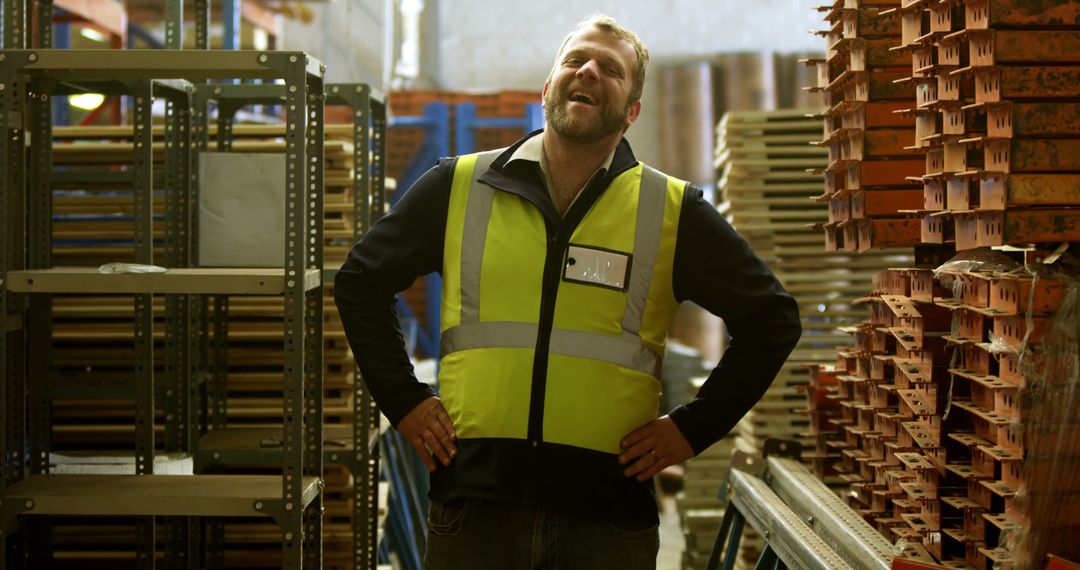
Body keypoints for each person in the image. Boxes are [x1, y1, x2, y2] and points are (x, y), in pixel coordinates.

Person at [335, 13, 801, 570]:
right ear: (548, 86)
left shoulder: (670, 210)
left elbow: (773, 319)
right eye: (575, 60)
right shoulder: (458, 186)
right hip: (477, 510)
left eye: (611, 69)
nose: (588, 72)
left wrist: (693, 428)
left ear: (633, 111)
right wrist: (405, 400)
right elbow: (360, 281)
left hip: (605, 520)